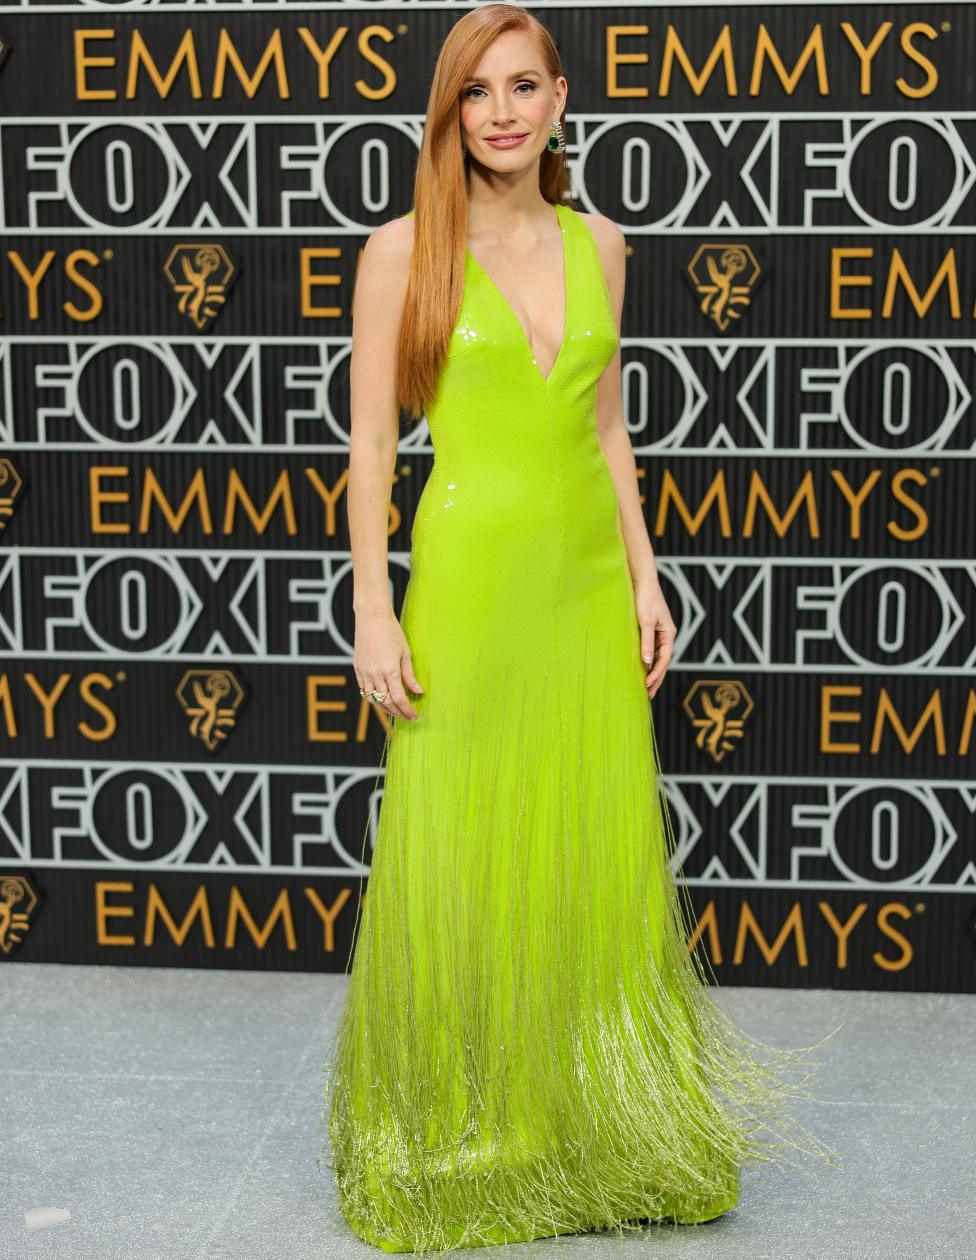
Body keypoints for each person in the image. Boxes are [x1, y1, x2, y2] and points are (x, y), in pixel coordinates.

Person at [321, 3, 835, 1252]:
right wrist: (373, 605)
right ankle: (455, 1125)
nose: (501, 111)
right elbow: (373, 445)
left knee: (588, 837)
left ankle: (595, 1122)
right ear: (450, 113)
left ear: (559, 101)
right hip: (472, 582)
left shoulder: (601, 241)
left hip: (585, 581)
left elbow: (607, 428)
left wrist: (648, 579)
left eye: (523, 86)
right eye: (476, 92)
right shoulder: (402, 250)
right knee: (464, 842)